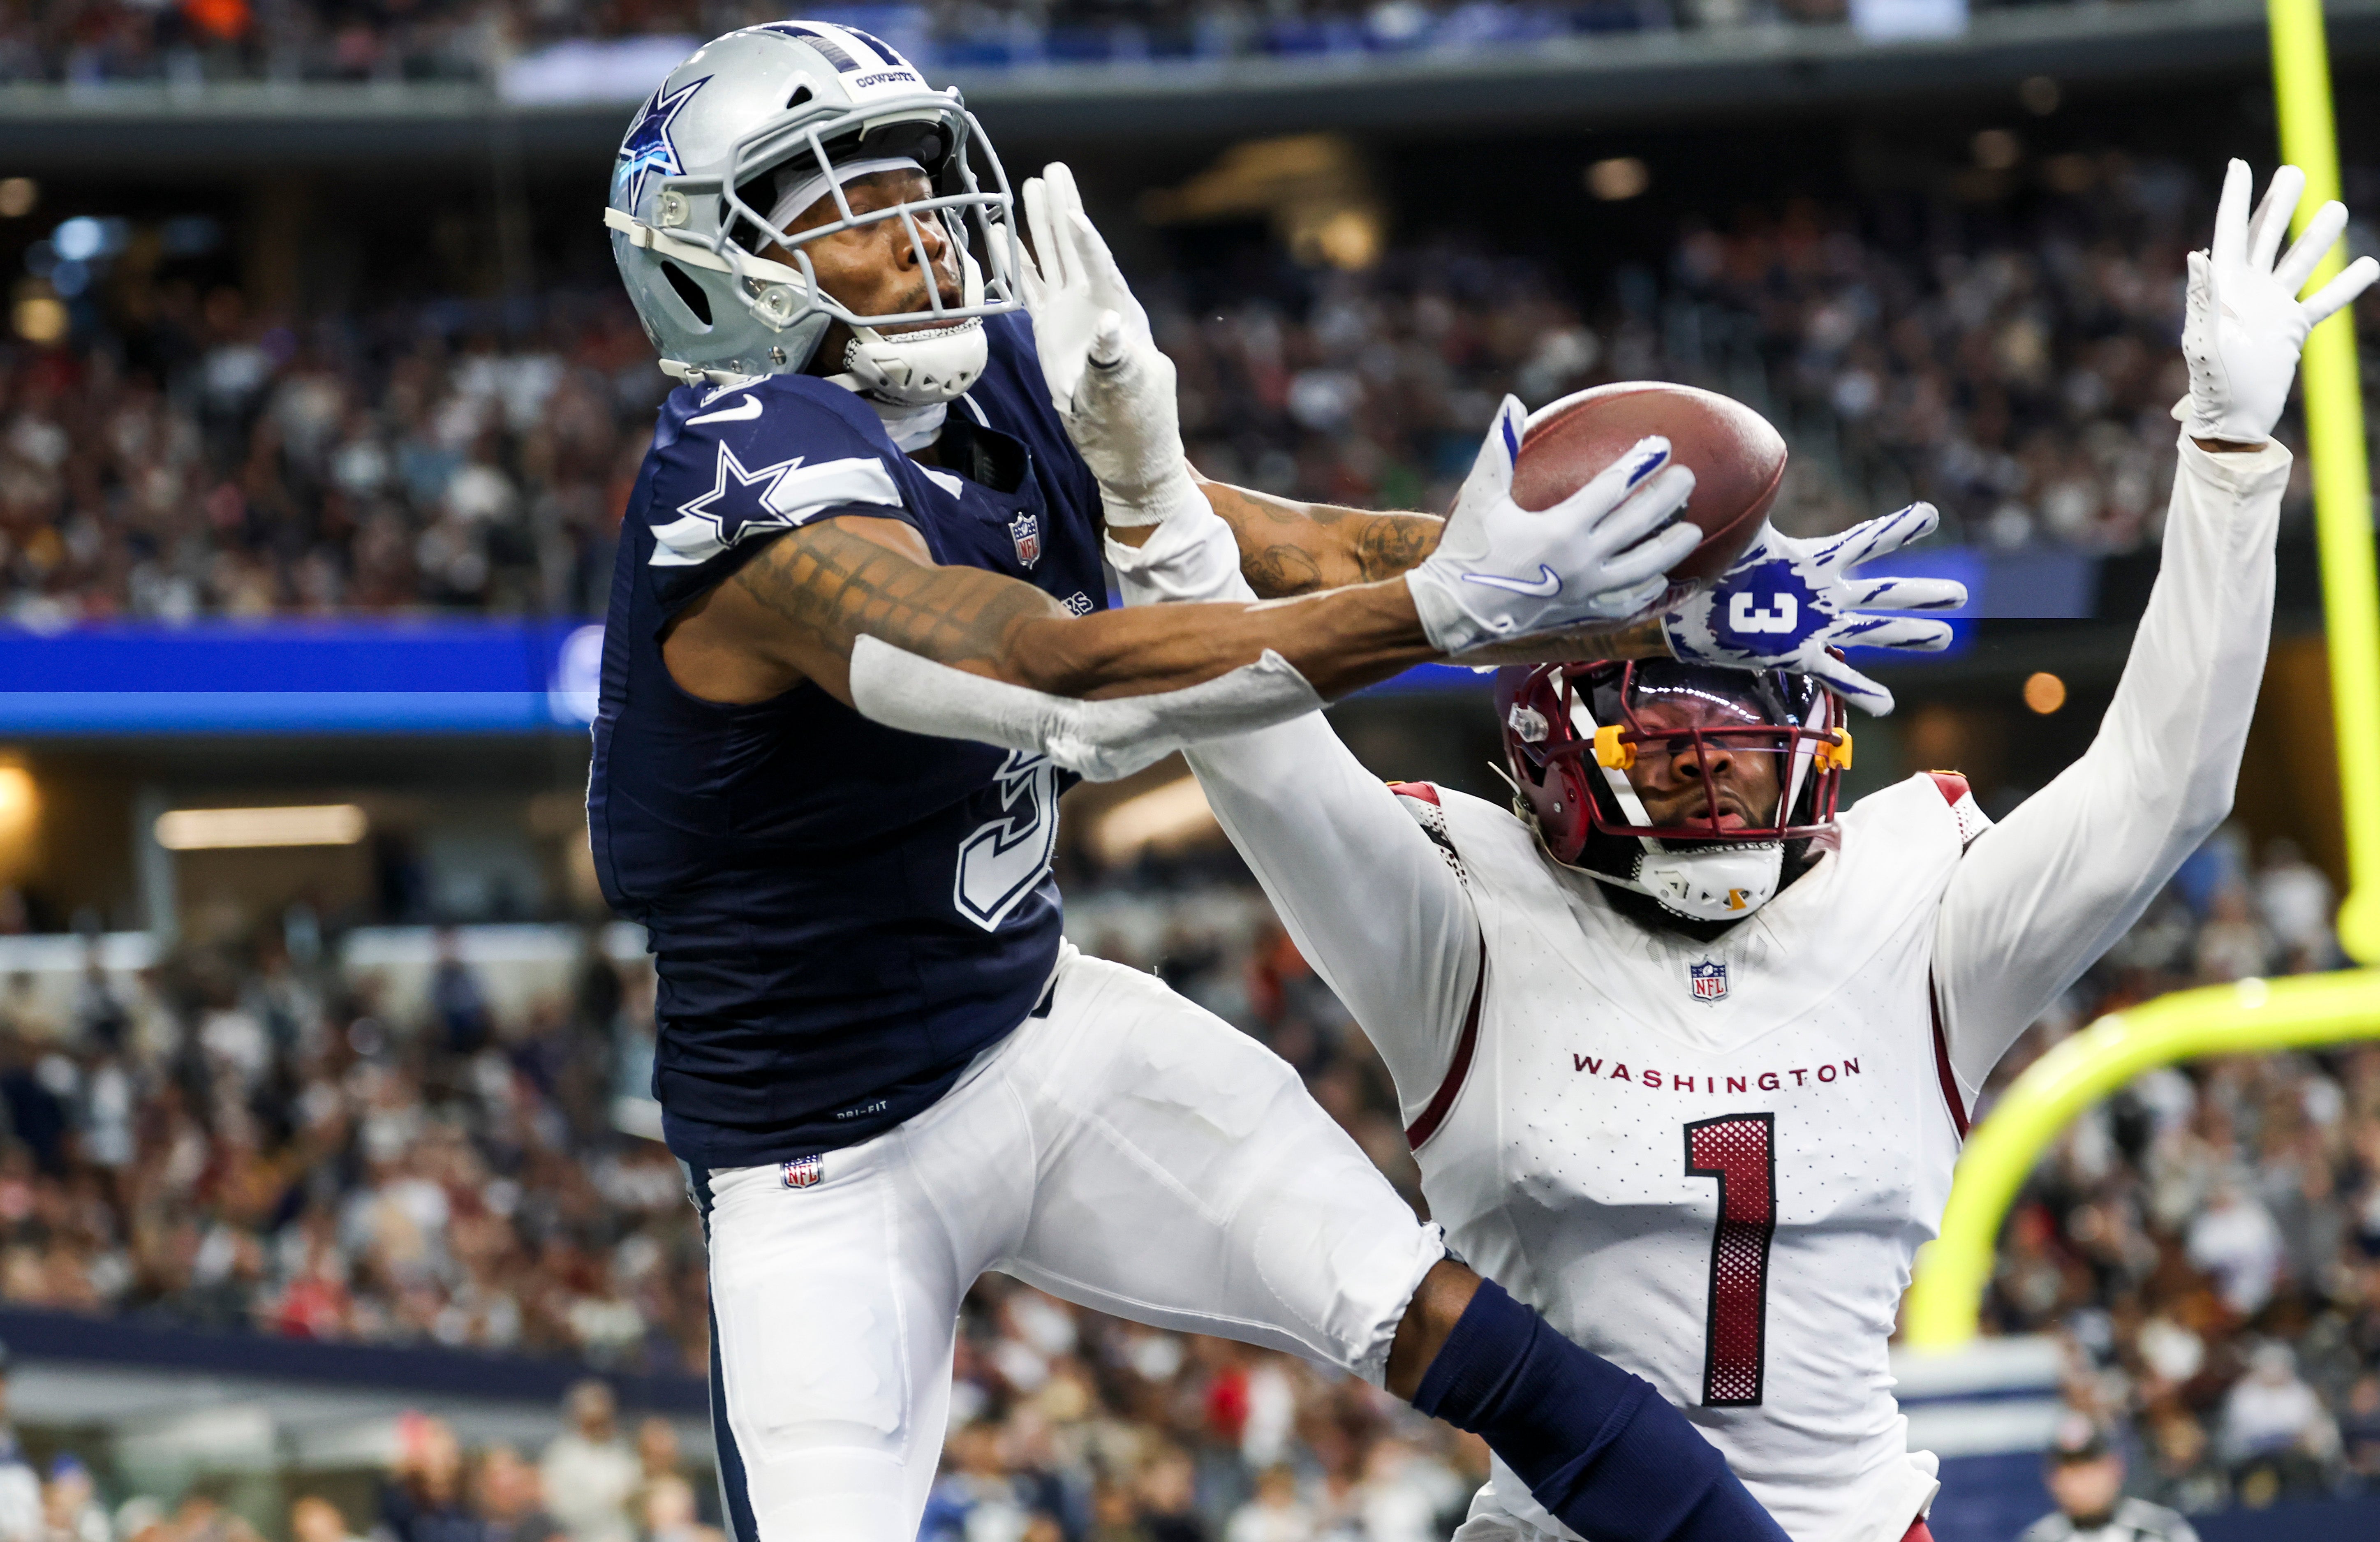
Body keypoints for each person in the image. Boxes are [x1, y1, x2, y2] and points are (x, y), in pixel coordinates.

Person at [590, 20, 1783, 1542]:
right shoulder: (740, 479)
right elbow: (1054, 671)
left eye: (913, 184)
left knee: (1460, 1334)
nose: (918, 234)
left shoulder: (997, 387)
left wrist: (1660, 586)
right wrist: (1443, 617)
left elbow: (1308, 550)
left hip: (1040, 1032)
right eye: (845, 205)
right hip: (821, 1164)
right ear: (712, 268)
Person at [1087, 159, 2378, 1542]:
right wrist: (1149, 490)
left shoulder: (1908, 901)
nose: (1710, 787)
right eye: (1664, 753)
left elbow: (2161, 790)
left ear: (1817, 740)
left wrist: (2228, 460)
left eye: (1743, 750)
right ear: (1545, 755)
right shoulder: (1463, 920)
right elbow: (1256, 751)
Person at [2017, 1419, 2198, 1542]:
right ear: (2053, 1480)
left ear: (2115, 1468)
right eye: (2072, 1470)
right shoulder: (2039, 1538)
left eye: (2091, 1468)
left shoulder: (2162, 1531)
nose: (2083, 1482)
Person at [538, 1382, 638, 1542]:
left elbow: (636, 1491)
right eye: (595, 1414)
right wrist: (609, 1501)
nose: (601, 1418)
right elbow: (555, 1506)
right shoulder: (561, 1454)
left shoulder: (622, 1452)